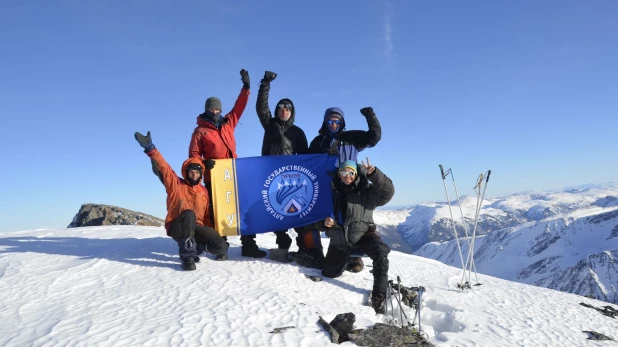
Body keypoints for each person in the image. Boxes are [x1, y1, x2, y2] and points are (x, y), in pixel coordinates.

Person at [188, 69, 267, 258]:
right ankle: (220, 246)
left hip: (234, 173)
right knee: (218, 212)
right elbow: (193, 156)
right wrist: (204, 164)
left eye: (217, 109)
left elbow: (240, 106)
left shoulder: (228, 122)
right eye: (211, 109)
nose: (215, 112)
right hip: (214, 177)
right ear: (206, 110)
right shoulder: (200, 131)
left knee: (243, 207)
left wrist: (246, 88)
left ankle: (248, 244)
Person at [297, 106, 382, 269]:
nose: (333, 124)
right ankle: (313, 251)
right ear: (325, 122)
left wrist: (370, 116)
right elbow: (308, 163)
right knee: (316, 219)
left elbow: (374, 138)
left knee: (349, 220)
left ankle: (354, 257)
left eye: (337, 121)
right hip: (324, 187)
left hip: (349, 186)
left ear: (342, 122)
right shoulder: (318, 142)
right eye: (330, 121)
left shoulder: (351, 138)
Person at [134, 131, 229, 271]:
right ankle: (187, 257)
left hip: (196, 227)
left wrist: (212, 233)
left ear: (201, 174)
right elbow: (164, 168)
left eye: (197, 173)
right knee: (189, 214)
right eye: (191, 172)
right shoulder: (176, 185)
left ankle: (196, 249)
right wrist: (150, 148)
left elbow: (206, 215)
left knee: (221, 246)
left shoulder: (203, 191)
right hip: (178, 226)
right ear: (186, 172)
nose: (194, 175)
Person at [314, 158, 395, 314]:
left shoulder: (367, 192)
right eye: (343, 172)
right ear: (339, 174)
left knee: (381, 252)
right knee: (330, 273)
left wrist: (374, 174)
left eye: (351, 172)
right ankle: (350, 259)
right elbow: (316, 220)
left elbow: (388, 192)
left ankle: (379, 296)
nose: (347, 176)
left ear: (356, 174)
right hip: (340, 239)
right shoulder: (330, 193)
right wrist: (324, 223)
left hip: (364, 234)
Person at [255, 70, 309, 251]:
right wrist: (265, 84)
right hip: (270, 175)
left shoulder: (298, 132)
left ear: (291, 112)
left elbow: (305, 158)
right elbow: (261, 108)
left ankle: (304, 247)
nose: (284, 111)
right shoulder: (270, 125)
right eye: (280, 108)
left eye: (287, 109)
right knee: (275, 211)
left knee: (297, 211)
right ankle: (283, 243)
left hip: (291, 178)